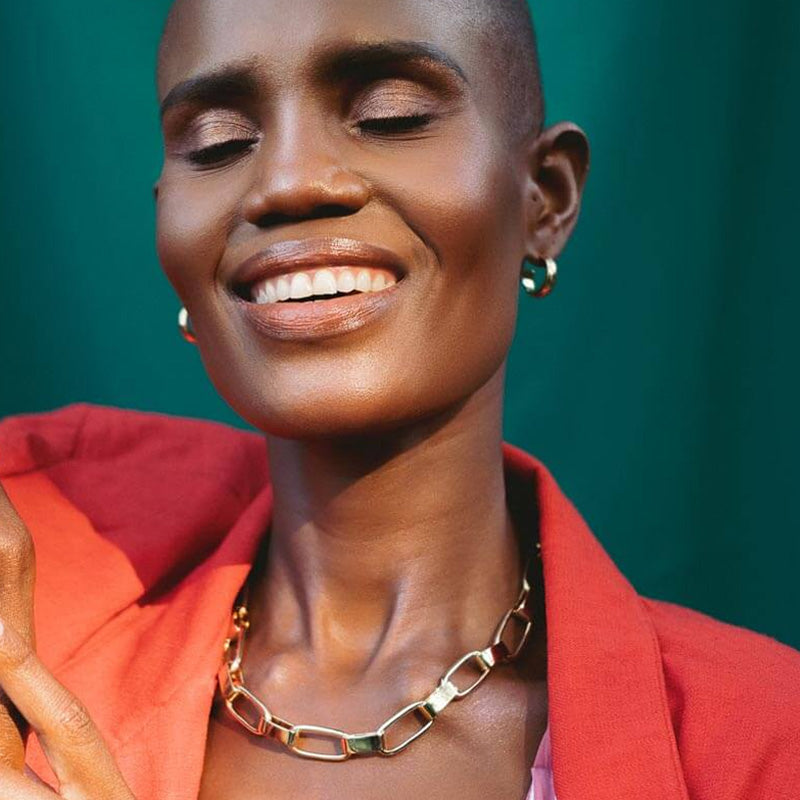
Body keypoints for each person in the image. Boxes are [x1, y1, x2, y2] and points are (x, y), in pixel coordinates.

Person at [0, 0, 798, 798]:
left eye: (391, 115)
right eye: (219, 142)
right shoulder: (27, 639)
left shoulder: (764, 740)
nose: (287, 182)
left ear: (545, 198)